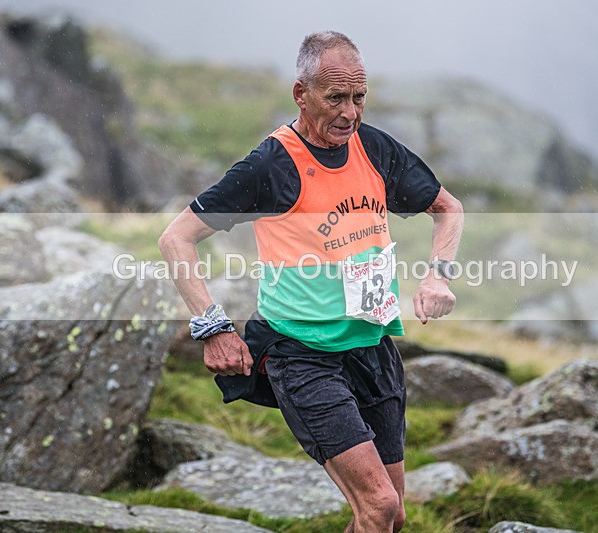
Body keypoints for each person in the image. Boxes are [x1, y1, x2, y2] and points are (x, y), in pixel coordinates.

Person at [158, 31, 463, 532]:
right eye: (335, 98)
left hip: (373, 348)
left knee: (391, 515)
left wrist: (438, 276)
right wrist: (212, 328)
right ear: (301, 94)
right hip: (301, 355)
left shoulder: (374, 149)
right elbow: (177, 238)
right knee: (379, 506)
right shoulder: (271, 165)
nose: (349, 113)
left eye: (359, 97)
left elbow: (448, 209)